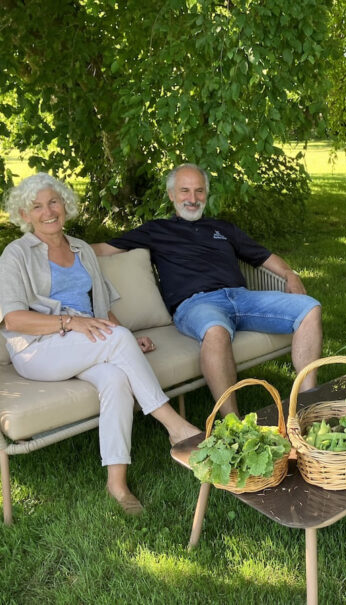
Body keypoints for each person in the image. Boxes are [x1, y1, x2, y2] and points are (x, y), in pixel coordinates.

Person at [0, 173, 201, 515]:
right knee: (118, 342)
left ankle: (117, 483)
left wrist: (127, 342)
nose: (48, 211)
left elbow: (103, 309)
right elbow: (12, 319)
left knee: (116, 379)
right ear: (24, 215)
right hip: (38, 348)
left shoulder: (80, 249)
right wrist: (70, 323)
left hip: (86, 340)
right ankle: (175, 426)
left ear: (65, 205)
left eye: (54, 202)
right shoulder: (16, 255)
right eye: (36, 206)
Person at [93, 164, 322, 416]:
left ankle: (306, 404)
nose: (192, 199)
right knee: (215, 330)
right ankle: (233, 423)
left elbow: (264, 257)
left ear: (206, 194)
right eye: (184, 191)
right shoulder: (157, 230)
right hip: (196, 304)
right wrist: (56, 247)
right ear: (171, 195)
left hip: (242, 298)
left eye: (199, 191)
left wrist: (290, 274)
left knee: (309, 308)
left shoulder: (223, 228)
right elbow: (103, 249)